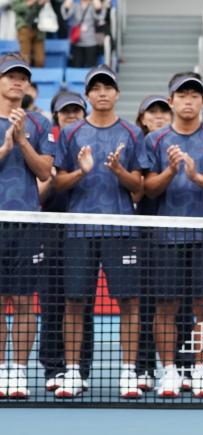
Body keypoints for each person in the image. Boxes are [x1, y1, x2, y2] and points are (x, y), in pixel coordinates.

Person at [51, 66, 145, 399]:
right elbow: (58, 183)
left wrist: (119, 170)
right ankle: (73, 371)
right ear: (88, 95)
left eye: (108, 87)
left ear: (117, 94)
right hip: (79, 230)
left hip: (121, 230)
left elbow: (139, 187)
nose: (102, 92)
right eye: (96, 88)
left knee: (129, 302)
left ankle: (129, 373)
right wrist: (81, 171)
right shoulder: (70, 133)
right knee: (74, 302)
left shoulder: (133, 134)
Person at [143, 72, 203, 398]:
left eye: (195, 95)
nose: (188, 100)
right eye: (182, 95)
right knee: (166, 306)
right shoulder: (154, 141)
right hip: (166, 236)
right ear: (171, 101)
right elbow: (146, 190)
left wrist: (196, 176)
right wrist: (170, 171)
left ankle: (200, 370)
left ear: (201, 102)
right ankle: (168, 371)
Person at [0, 53, 56, 398]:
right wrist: (5, 147)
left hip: (26, 223)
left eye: (22, 76)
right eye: (10, 76)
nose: (17, 81)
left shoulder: (39, 124)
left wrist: (21, 140)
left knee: (22, 300)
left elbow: (45, 172)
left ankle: (17, 371)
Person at [37, 91, 93, 396]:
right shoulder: (50, 148)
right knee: (51, 302)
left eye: (76, 111)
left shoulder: (91, 147)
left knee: (81, 302)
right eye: (65, 112)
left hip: (82, 234)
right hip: (51, 232)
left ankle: (80, 368)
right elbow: (43, 191)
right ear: (57, 117)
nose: (71, 115)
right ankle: (53, 366)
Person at [133, 94, 173, 393]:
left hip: (175, 237)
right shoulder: (139, 147)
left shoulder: (175, 146)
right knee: (145, 304)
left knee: (175, 307)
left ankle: (177, 368)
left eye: (164, 111)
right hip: (142, 235)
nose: (158, 116)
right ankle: (143, 367)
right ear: (142, 119)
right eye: (152, 112)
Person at [61, 0, 105, 68]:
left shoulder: (93, 5)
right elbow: (65, 15)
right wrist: (67, 4)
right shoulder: (75, 5)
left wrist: (98, 6)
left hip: (91, 42)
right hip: (77, 41)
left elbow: (100, 17)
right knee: (76, 67)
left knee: (91, 67)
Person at [9, 0, 47, 67]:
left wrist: (42, 3)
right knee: (25, 59)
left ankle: (38, 76)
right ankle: (24, 75)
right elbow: (15, 7)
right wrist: (31, 2)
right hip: (24, 26)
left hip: (40, 27)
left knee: (40, 61)